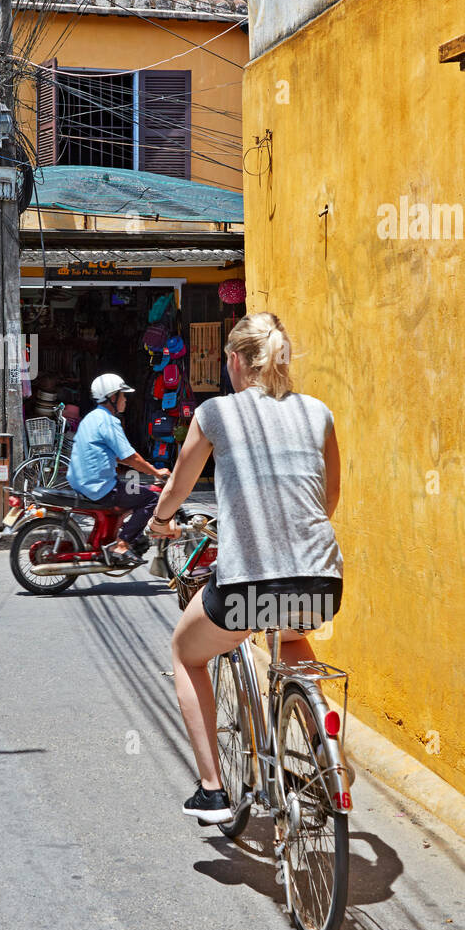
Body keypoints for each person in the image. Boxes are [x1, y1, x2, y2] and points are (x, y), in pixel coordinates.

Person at [147, 313, 343, 824]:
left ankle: (213, 789)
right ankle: (327, 749)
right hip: (320, 581)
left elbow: (179, 487)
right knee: (294, 636)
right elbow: (329, 500)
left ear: (234, 360)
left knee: (186, 653)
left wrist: (162, 522)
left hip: (246, 587)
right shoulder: (318, 412)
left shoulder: (216, 413)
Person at [65, 373, 171, 566]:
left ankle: (117, 537)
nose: (125, 401)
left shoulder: (92, 417)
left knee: (130, 488)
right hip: (98, 486)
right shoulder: (108, 421)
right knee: (150, 499)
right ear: (112, 397)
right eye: (122, 396)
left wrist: (136, 466)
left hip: (83, 483)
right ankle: (121, 544)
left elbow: (113, 454)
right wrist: (156, 472)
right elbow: (129, 456)